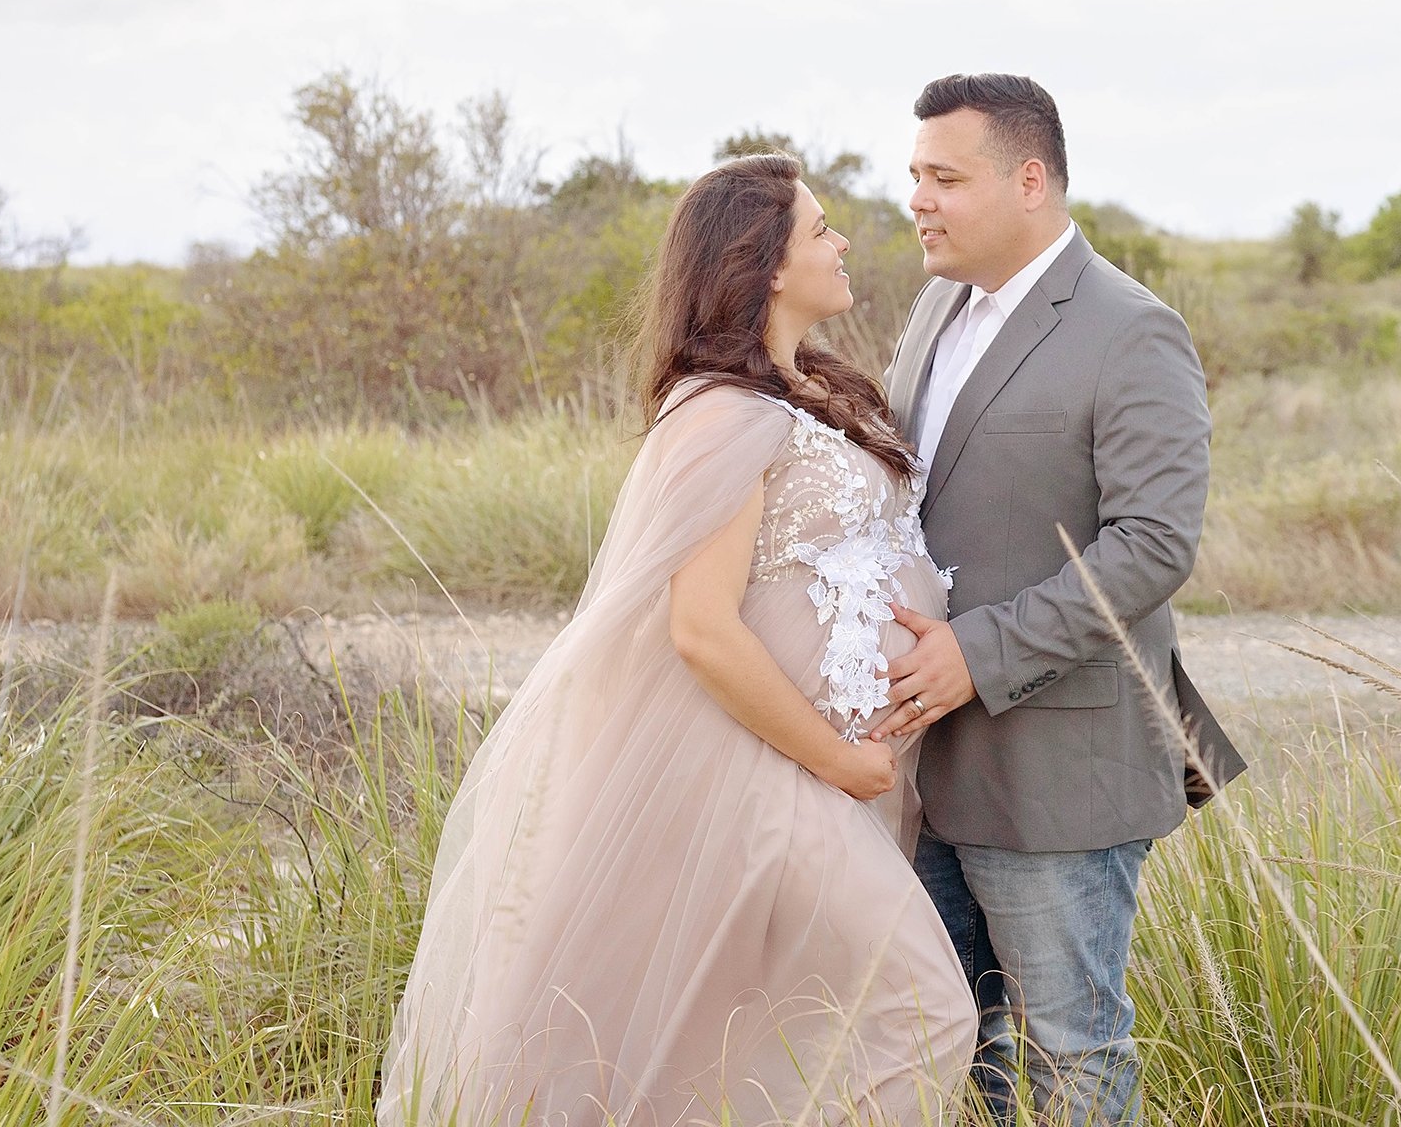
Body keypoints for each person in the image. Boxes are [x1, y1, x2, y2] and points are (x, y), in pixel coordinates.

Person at [378, 154, 976, 1127]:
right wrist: (842, 760)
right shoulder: (721, 410)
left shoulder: (813, 386)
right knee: (925, 1007)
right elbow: (699, 626)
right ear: (767, 261)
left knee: (747, 1033)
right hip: (771, 773)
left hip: (830, 776)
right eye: (820, 229)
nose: (842, 241)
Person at [871, 73, 1247, 1125]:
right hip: (923, 762)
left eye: (945, 176)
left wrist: (976, 652)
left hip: (1059, 766)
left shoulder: (1132, 328)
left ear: (1029, 179)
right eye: (915, 176)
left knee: (1073, 1052)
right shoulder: (935, 308)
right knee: (949, 1041)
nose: (919, 200)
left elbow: (1153, 544)